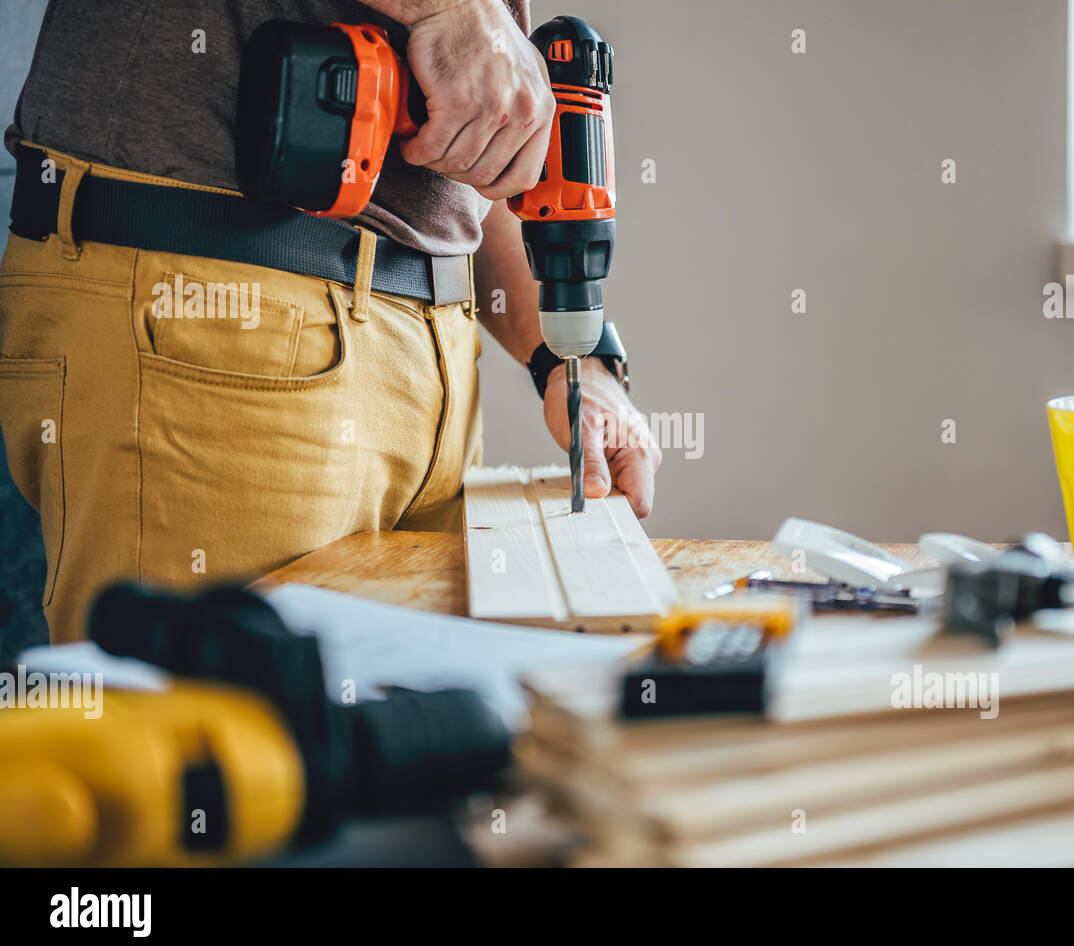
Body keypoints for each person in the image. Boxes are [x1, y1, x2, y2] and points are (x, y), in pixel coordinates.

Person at [0, 0, 660, 643]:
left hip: (436, 361)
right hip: (222, 309)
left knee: (400, 744)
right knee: (202, 734)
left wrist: (572, 357)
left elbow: (479, 182)